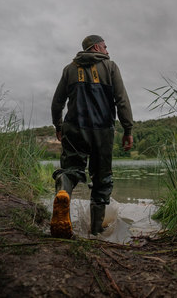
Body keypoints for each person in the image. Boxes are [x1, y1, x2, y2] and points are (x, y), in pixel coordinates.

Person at [50, 35, 133, 238]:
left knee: (70, 170)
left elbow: (57, 103)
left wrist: (59, 126)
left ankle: (63, 193)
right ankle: (96, 231)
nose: (107, 50)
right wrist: (128, 129)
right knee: (102, 179)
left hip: (74, 129)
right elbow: (121, 100)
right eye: (105, 46)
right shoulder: (111, 66)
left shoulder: (69, 69)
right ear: (96, 46)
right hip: (102, 131)